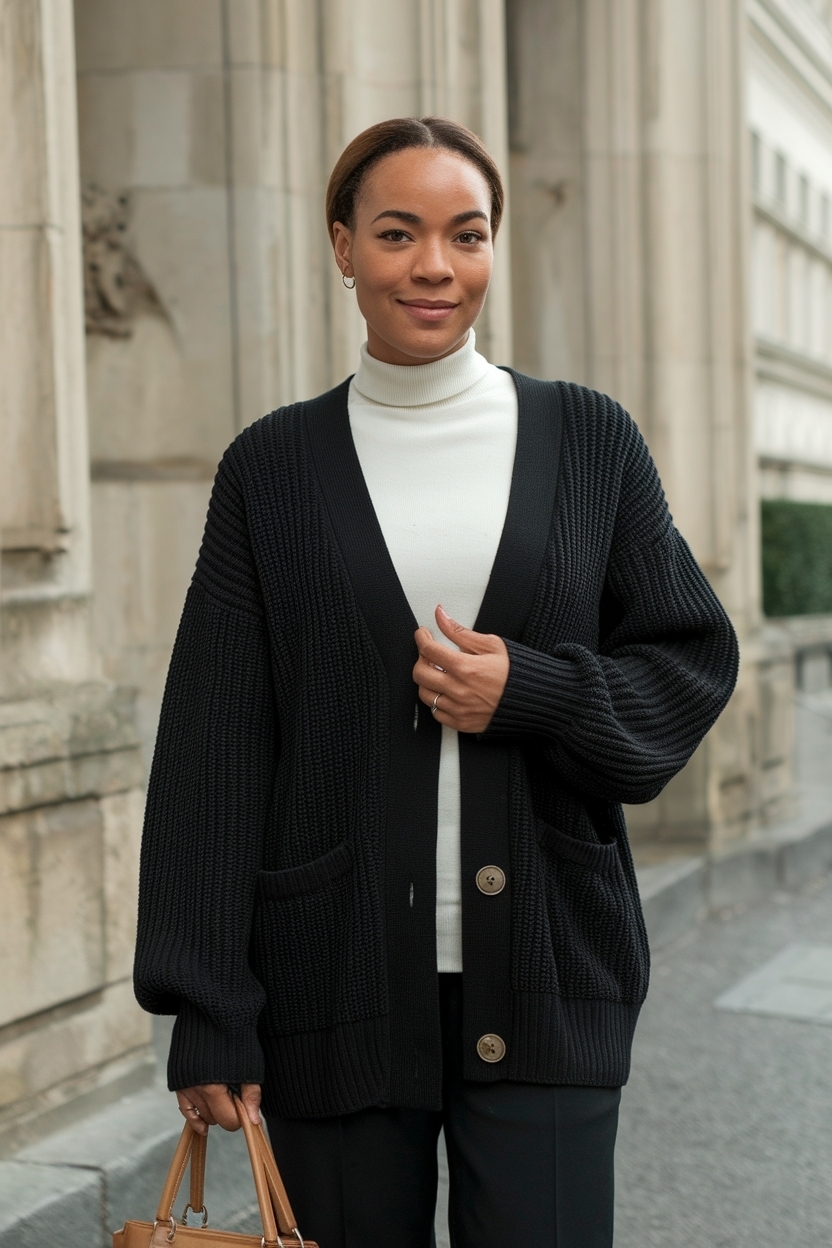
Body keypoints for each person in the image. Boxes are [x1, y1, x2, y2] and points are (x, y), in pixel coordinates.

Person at [134, 116, 739, 1248]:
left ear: (492, 248)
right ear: (342, 247)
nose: (433, 267)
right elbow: (215, 745)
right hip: (330, 992)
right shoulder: (270, 469)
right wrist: (207, 1009)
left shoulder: (590, 439)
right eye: (398, 233)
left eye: (466, 235)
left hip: (551, 978)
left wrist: (539, 694)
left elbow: (687, 658)